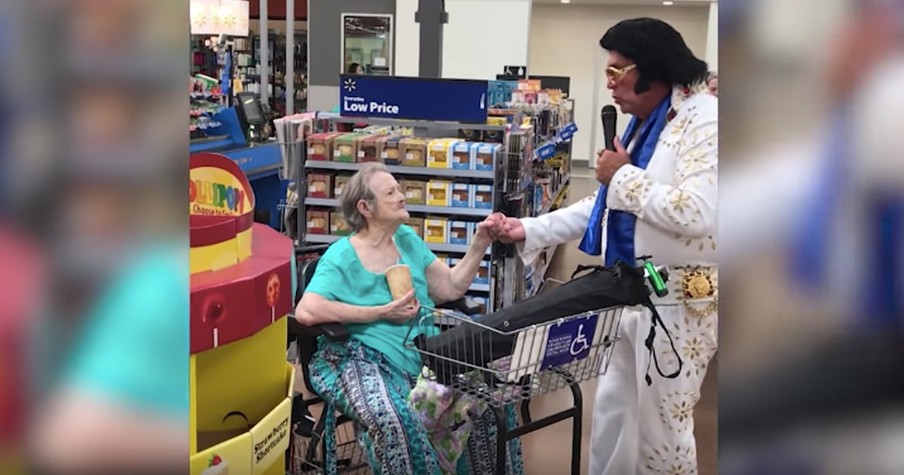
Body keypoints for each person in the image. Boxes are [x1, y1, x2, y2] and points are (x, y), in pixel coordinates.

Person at [497, 18, 718, 475]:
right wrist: (530, 229)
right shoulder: (650, 121)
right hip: (629, 292)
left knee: (661, 428)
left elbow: (700, 212)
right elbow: (605, 204)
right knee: (615, 413)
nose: (609, 84)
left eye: (617, 72)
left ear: (653, 70)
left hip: (679, 305)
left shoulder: (705, 121)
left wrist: (621, 175)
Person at [294, 163, 522, 475]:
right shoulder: (342, 255)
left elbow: (450, 286)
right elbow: (307, 310)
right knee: (398, 421)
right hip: (361, 357)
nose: (402, 196)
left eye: (400, 190)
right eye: (391, 192)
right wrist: (380, 312)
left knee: (492, 399)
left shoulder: (405, 238)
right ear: (366, 207)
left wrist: (480, 242)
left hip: (424, 355)